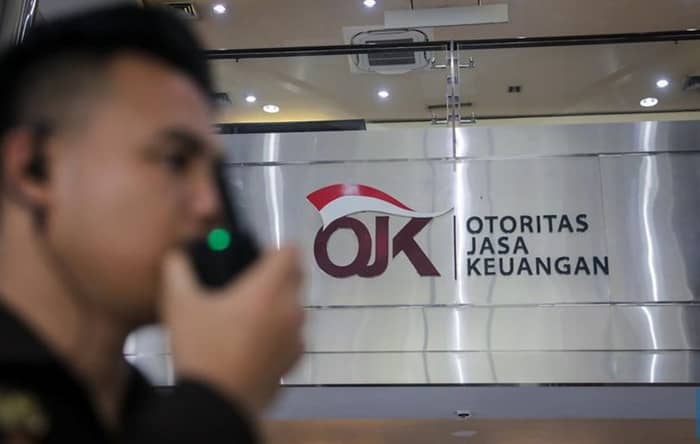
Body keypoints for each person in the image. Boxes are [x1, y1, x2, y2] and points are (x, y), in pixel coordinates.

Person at [0, 5, 305, 443]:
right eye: (174, 160)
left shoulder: (142, 411)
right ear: (33, 168)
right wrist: (216, 402)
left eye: (214, 175)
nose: (210, 206)